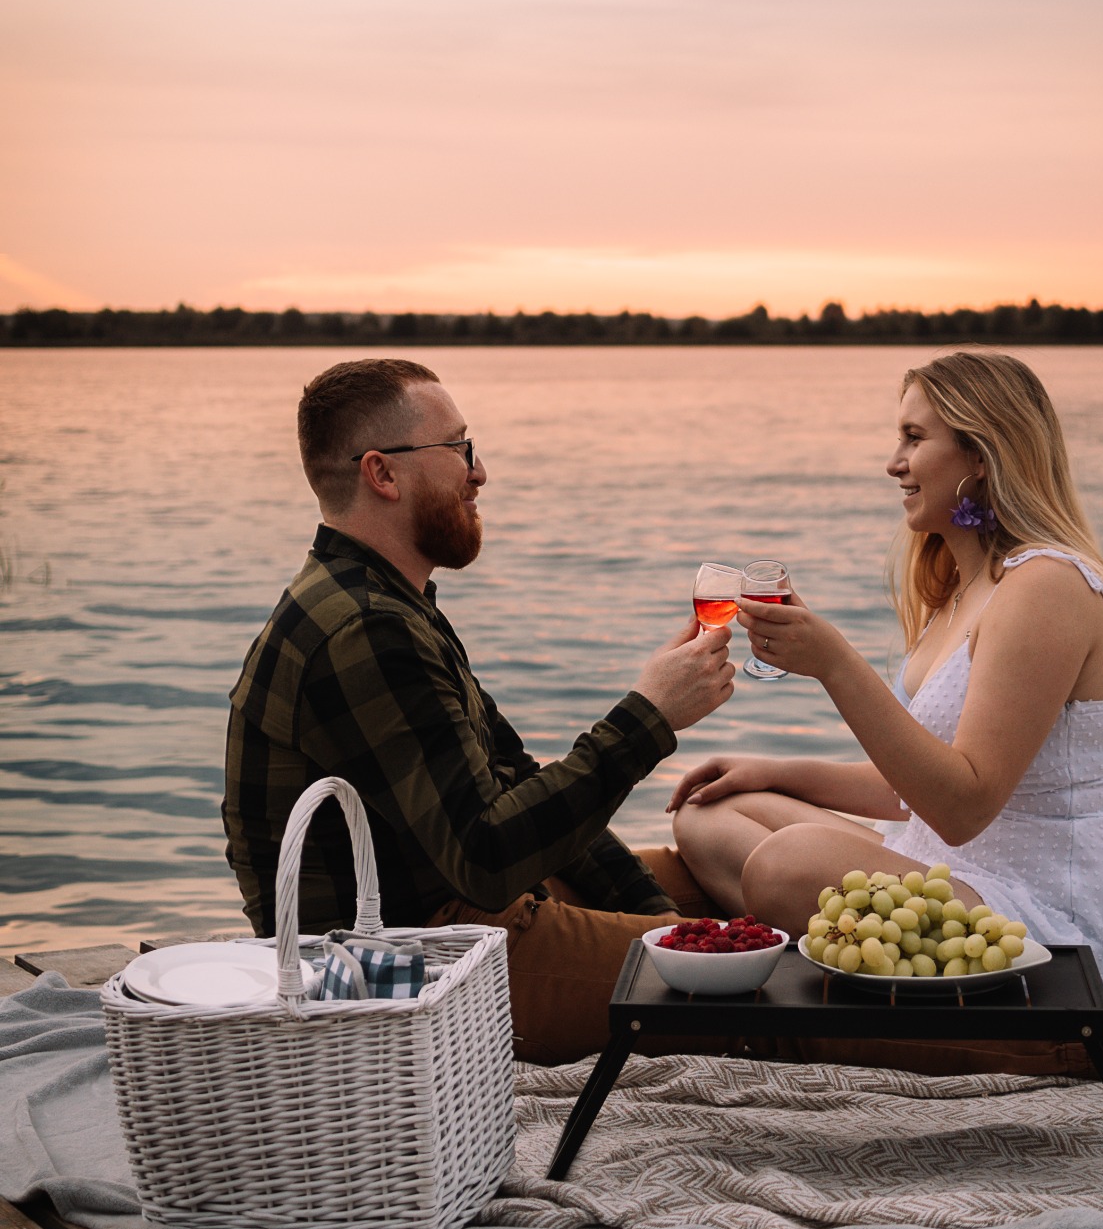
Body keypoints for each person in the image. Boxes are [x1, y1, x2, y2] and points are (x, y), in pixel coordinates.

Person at [669, 350, 1103, 1079]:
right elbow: (918, 785)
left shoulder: (1045, 588)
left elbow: (963, 804)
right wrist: (775, 770)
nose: (893, 463)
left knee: (785, 864)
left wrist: (835, 667)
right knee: (708, 814)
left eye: (914, 439)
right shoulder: (959, 589)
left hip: (1054, 917)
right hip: (951, 873)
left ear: (978, 453)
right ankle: (860, 971)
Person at [222, 357, 732, 1064]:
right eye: (459, 448)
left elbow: (516, 782)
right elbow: (487, 860)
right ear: (383, 473)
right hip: (400, 967)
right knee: (755, 987)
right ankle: (935, 1037)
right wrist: (650, 718)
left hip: (454, 905)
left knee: (711, 898)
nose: (479, 470)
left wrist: (663, 921)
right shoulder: (365, 629)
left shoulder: (389, 603)